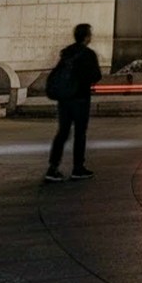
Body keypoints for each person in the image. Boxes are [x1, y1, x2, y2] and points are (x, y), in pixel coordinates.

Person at [44, 23, 102, 182]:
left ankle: (53, 167)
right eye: (90, 34)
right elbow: (96, 75)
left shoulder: (67, 52)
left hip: (64, 99)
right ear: (86, 37)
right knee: (80, 133)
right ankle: (78, 168)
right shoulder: (88, 54)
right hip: (81, 98)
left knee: (62, 132)